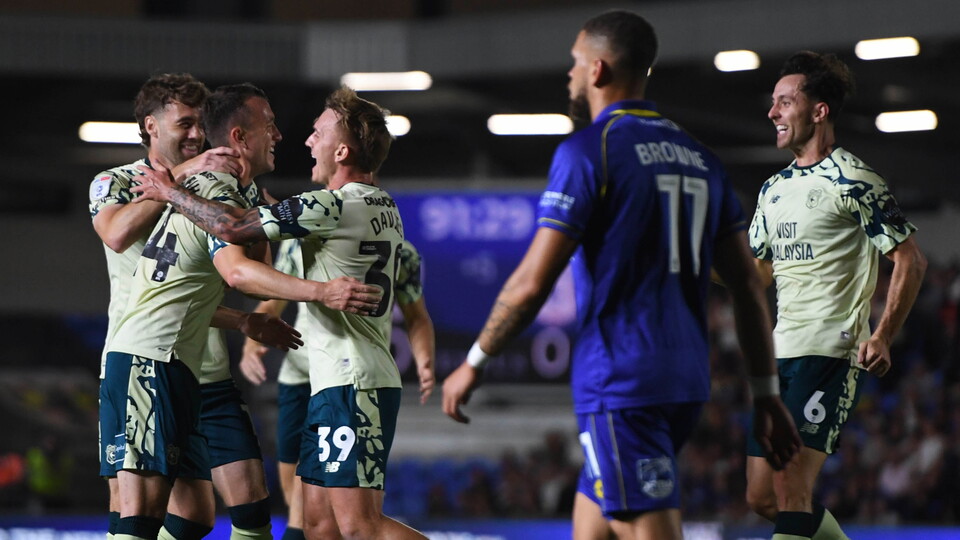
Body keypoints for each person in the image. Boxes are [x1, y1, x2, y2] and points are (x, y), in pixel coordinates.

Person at [440, 10, 801, 540]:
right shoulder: (700, 158)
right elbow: (747, 285)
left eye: (575, 63)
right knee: (594, 525)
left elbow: (531, 283)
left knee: (647, 529)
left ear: (599, 69)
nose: (570, 74)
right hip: (683, 380)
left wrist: (474, 361)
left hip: (621, 382)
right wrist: (765, 394)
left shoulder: (590, 151)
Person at [131, 86, 429, 539]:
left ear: (342, 150)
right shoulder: (381, 205)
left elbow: (232, 227)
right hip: (334, 381)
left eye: (319, 132)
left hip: (354, 382)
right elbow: (302, 230)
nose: (308, 141)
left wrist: (170, 192)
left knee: (360, 528)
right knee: (316, 523)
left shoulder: (332, 204)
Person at [88, 73, 303, 539]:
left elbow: (248, 259)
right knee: (135, 511)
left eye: (199, 125)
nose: (194, 134)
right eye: (183, 123)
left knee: (212, 515)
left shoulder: (214, 186)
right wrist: (177, 181)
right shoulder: (117, 181)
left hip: (202, 367)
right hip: (143, 356)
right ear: (150, 125)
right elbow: (116, 233)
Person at [744, 51, 927, 540]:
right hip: (780, 355)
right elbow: (758, 273)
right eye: (774, 103)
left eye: (785, 102)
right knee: (760, 497)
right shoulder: (772, 190)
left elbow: (910, 258)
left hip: (829, 352)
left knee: (791, 492)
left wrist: (884, 334)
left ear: (818, 111)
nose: (773, 112)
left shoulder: (854, 181)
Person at [239, 236, 436, 540]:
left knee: (354, 520)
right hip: (301, 375)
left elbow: (416, 315)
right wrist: (251, 344)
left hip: (347, 377)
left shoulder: (402, 251)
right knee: (306, 508)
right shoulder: (301, 241)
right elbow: (273, 300)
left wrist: (424, 360)